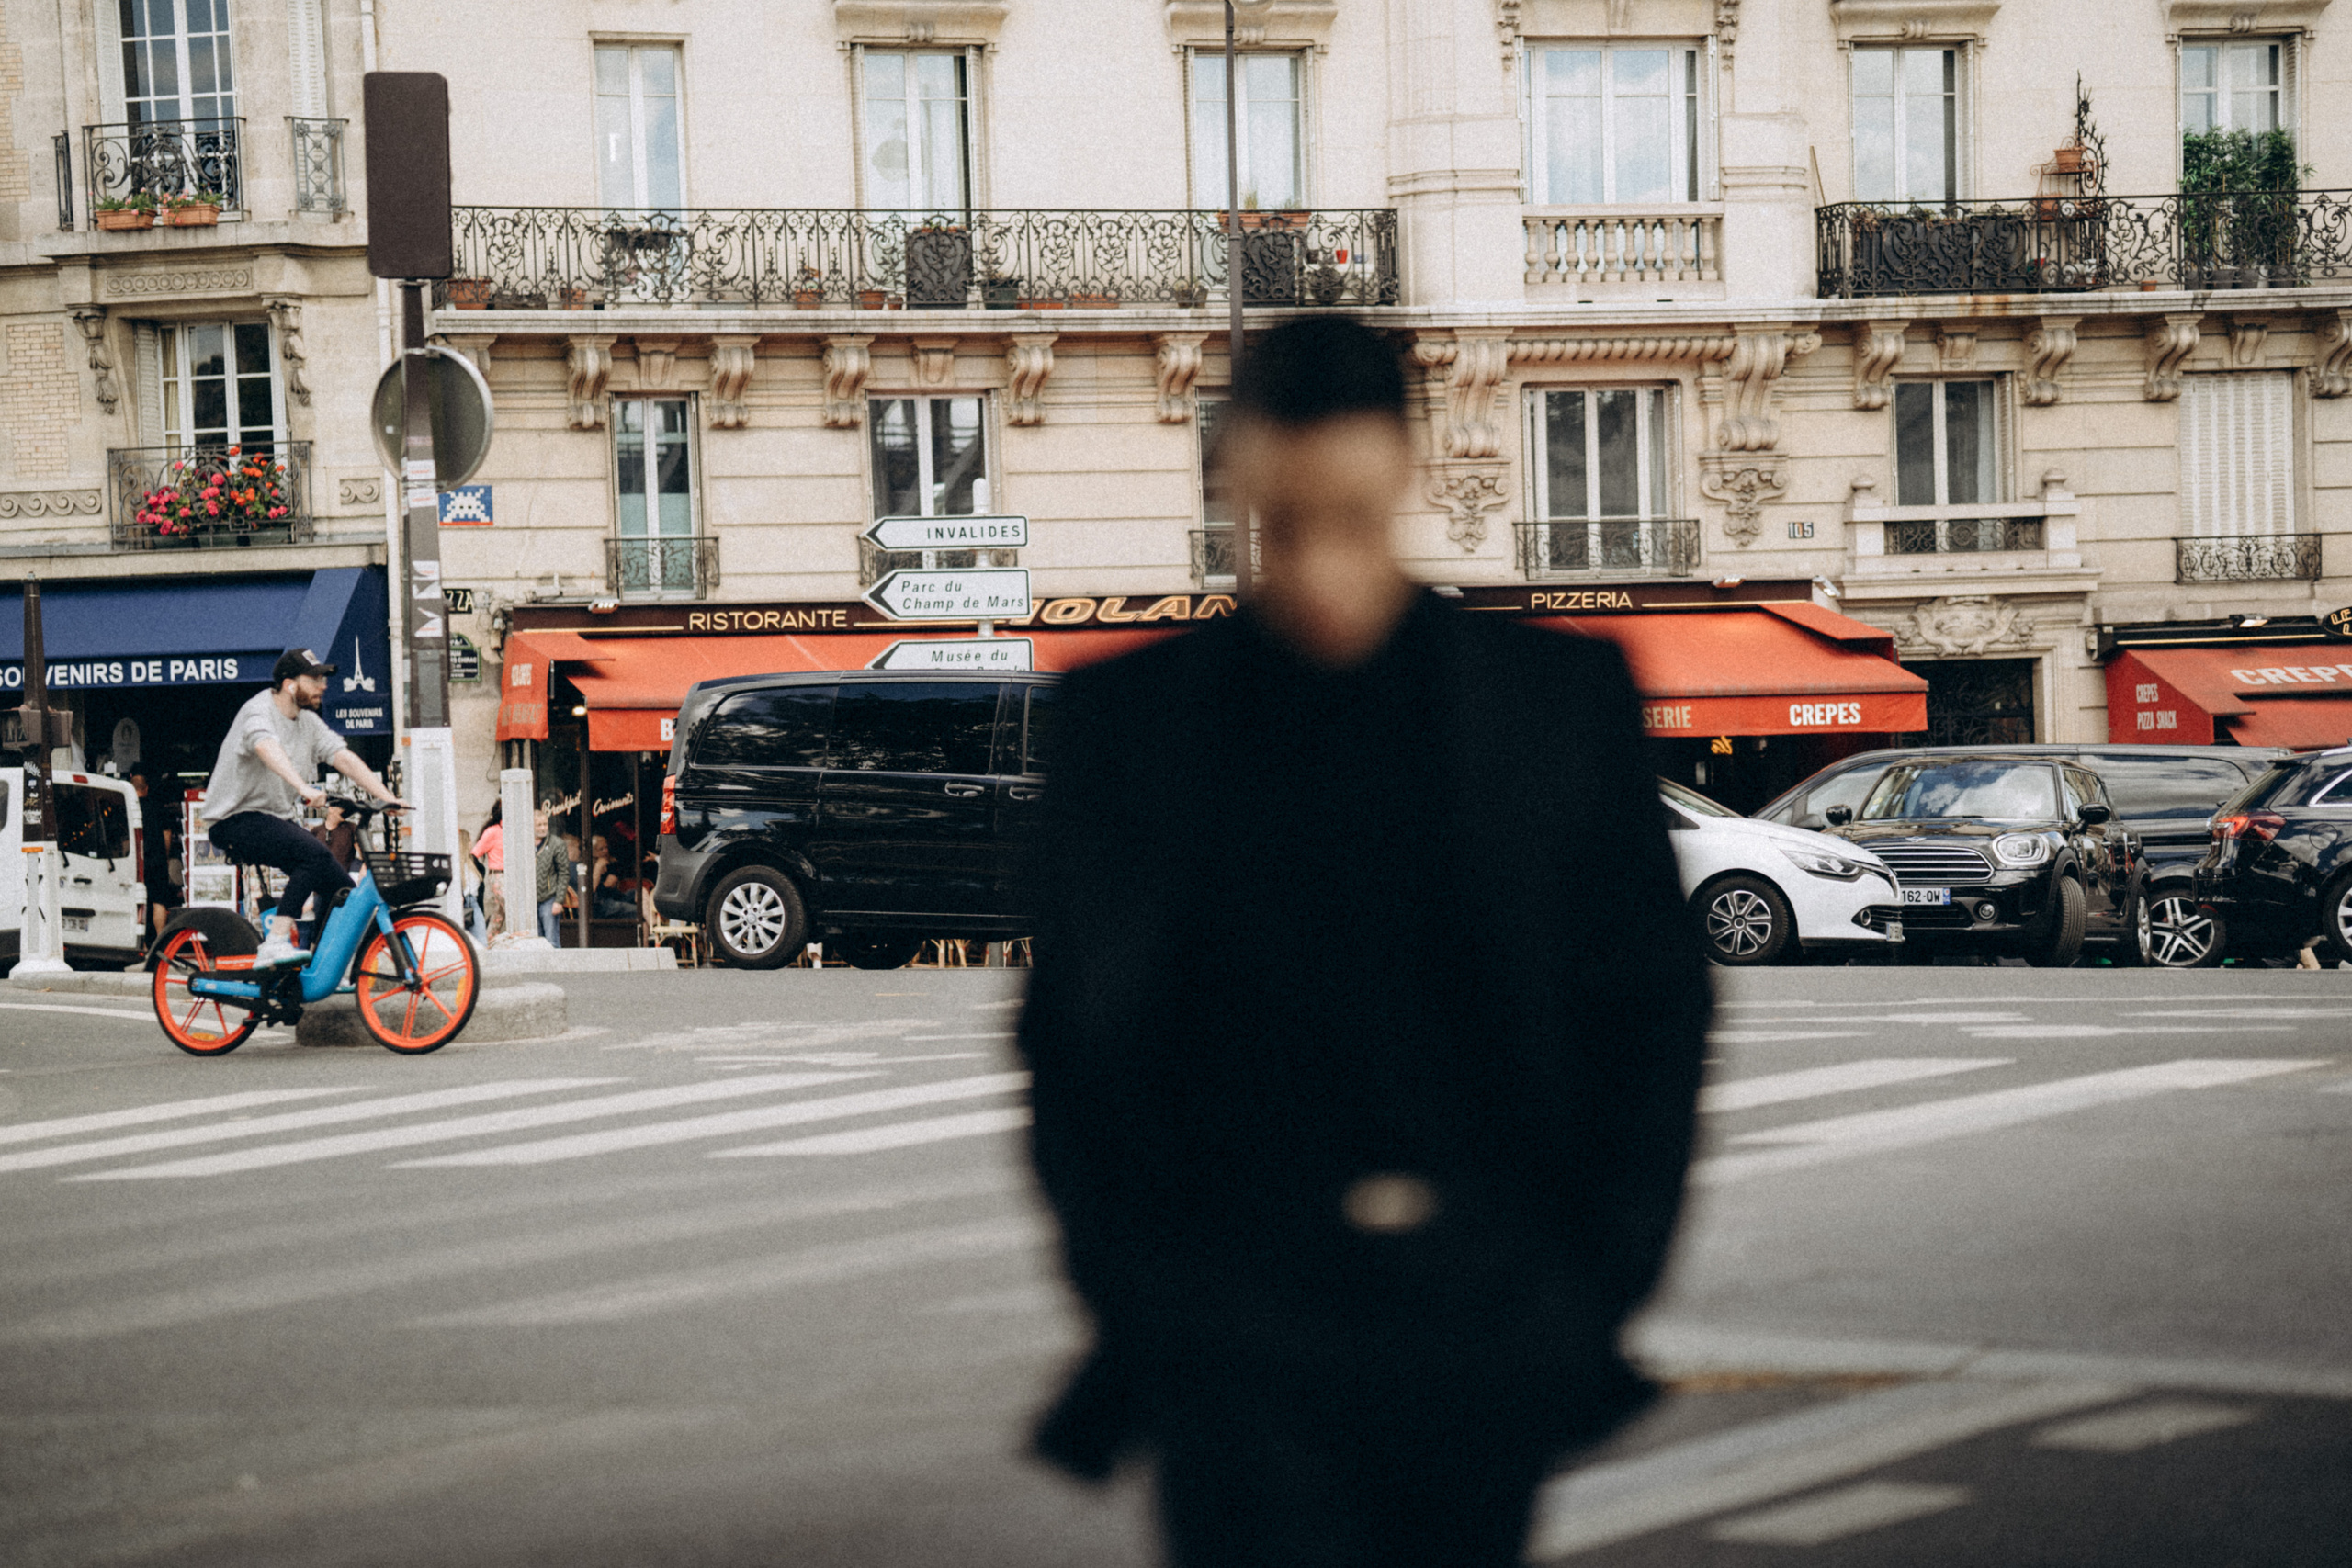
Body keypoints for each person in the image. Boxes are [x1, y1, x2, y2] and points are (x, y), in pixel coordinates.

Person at [1015, 317, 1713, 1568]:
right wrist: (1151, 1300)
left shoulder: (1555, 702)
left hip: (1487, 1308)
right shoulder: (1129, 720)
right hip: (1236, 1330)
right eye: (1283, 527)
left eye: (1349, 516)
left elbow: (1650, 1004)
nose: (1321, 567)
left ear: (1406, 474)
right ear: (1235, 489)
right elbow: (1069, 1037)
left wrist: (1590, 1284)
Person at [199, 649, 408, 967]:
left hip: (273, 819)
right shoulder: (257, 712)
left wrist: (385, 796)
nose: (323, 685)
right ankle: (276, 942)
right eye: (315, 678)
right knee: (311, 853)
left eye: (324, 678)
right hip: (233, 819)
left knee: (342, 890)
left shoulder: (309, 722)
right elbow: (266, 747)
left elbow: (343, 757)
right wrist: (302, 787)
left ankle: (323, 965)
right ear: (289, 684)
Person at [125, 767, 181, 946]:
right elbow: (167, 833)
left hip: (135, 861)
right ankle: (159, 941)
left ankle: (140, 942)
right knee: (158, 900)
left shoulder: (127, 808)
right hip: (156, 859)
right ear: (146, 788)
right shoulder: (157, 807)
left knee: (137, 900)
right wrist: (163, 855)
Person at [533, 806, 568, 946]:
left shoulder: (556, 844)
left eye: (545, 824)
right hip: (531, 901)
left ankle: (556, 968)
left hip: (549, 898)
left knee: (551, 941)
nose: (543, 828)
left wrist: (559, 900)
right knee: (536, 941)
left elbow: (564, 873)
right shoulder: (523, 844)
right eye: (539, 825)